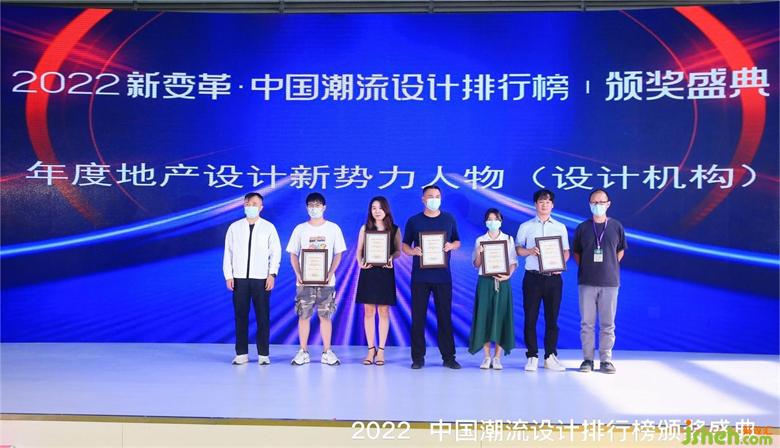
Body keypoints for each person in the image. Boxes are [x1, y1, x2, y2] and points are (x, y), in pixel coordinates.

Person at [402, 185, 462, 370]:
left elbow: (457, 241)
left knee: (444, 317)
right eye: (430, 196)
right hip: (420, 277)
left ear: (441, 199)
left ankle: (449, 357)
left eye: (437, 196)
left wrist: (451, 246)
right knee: (418, 318)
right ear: (423, 199)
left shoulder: (448, 219)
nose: (434, 199)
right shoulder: (414, 221)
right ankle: (418, 358)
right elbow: (405, 245)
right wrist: (413, 251)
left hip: (443, 277)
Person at [286, 192, 347, 366]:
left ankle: (327, 351)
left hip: (326, 282)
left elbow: (338, 254)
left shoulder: (333, 228)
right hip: (304, 282)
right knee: (303, 316)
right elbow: (293, 254)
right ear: (307, 208)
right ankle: (303, 351)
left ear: (324, 207)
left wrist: (330, 273)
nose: (314, 208)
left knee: (325, 316)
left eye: (317, 205)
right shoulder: (300, 229)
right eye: (311, 205)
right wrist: (298, 274)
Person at [223, 192, 281, 365]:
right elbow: (228, 253)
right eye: (248, 204)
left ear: (261, 207)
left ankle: (263, 354)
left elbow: (275, 252)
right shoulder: (234, 227)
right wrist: (228, 275)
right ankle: (241, 353)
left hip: (261, 278)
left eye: (254, 204)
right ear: (243, 205)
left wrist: (272, 274)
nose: (250, 207)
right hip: (239, 278)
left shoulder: (268, 227)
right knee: (240, 315)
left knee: (263, 316)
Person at [573, 189, 627, 374]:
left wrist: (608, 266)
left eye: (601, 202)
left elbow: (620, 251)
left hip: (610, 282)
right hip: (586, 281)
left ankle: (606, 360)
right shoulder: (582, 228)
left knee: (608, 324)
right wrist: (589, 267)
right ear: (589, 204)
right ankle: (587, 360)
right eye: (594, 203)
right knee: (586, 324)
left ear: (608, 204)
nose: (598, 206)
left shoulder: (616, 226)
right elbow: (577, 253)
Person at [515, 189, 570, 372]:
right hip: (533, 278)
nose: (544, 205)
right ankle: (532, 356)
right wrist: (529, 251)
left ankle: (550, 356)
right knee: (530, 318)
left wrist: (561, 263)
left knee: (552, 319)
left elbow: (566, 251)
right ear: (535, 204)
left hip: (554, 278)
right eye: (541, 201)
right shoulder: (526, 226)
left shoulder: (560, 227)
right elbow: (517, 249)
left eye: (548, 202)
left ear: (552, 205)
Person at [355, 196, 402, 366]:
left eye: (380, 208)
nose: (377, 211)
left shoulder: (395, 229)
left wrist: (391, 257)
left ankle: (381, 350)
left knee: (383, 311)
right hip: (368, 273)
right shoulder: (365, 228)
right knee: (368, 312)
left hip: (385, 273)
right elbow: (359, 250)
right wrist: (360, 262)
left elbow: (398, 251)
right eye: (373, 208)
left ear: (386, 210)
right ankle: (370, 349)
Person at [468, 208, 518, 370]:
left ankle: (497, 357)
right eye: (489, 219)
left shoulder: (508, 239)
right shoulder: (480, 240)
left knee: (501, 316)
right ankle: (486, 357)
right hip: (485, 282)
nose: (492, 222)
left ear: (500, 221)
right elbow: (476, 264)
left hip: (503, 282)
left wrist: (508, 275)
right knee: (484, 317)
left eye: (495, 219)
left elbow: (513, 262)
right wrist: (479, 252)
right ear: (485, 222)